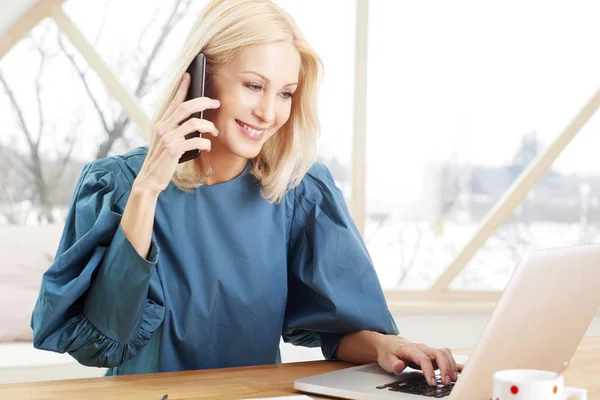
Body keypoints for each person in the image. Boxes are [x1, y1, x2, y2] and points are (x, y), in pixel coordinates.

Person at [31, 0, 461, 388]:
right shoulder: (115, 185)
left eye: (286, 93)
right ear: (201, 79)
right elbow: (100, 345)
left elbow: (336, 328)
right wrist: (147, 189)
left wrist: (389, 346)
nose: (269, 113)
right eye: (254, 85)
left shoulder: (299, 192)